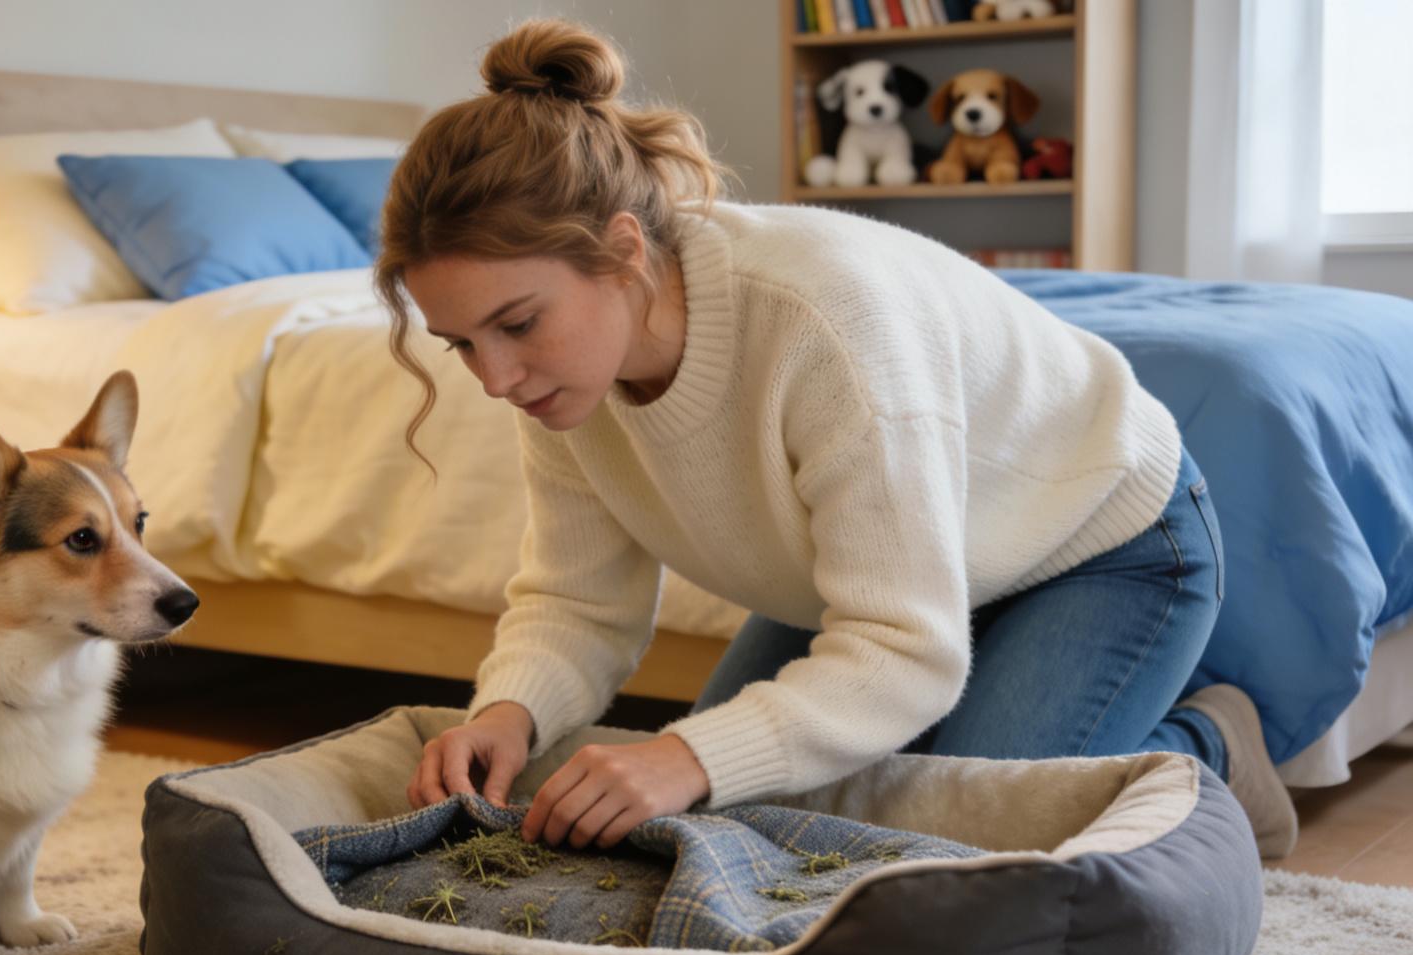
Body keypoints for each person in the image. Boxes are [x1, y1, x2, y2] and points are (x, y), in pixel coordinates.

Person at [373, 18, 1298, 859]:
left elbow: (905, 652)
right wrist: (508, 713)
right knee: (734, 821)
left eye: (519, 324)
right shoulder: (561, 382)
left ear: (621, 251)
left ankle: (1206, 746)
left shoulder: (824, 323)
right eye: (461, 344)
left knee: (961, 837)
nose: (495, 380)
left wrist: (684, 754)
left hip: (1103, 541)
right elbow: (580, 605)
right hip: (884, 571)